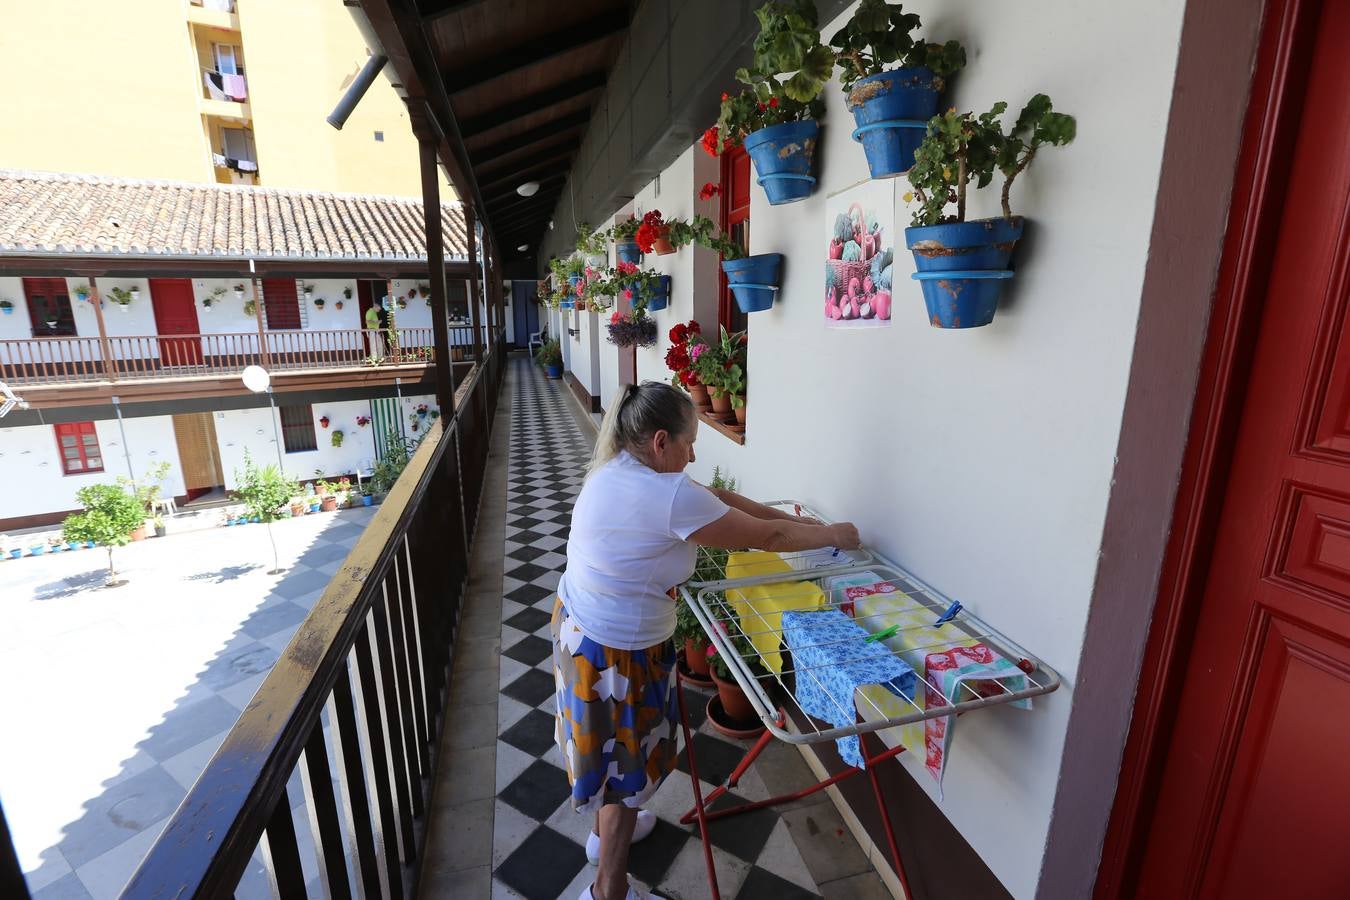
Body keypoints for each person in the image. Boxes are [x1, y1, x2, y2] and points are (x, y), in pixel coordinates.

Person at [553, 381, 860, 900]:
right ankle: (608, 889)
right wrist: (835, 536)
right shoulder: (664, 493)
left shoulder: (619, 467)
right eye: (689, 441)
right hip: (617, 652)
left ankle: (600, 839)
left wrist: (787, 517)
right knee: (627, 771)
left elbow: (718, 501)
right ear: (659, 441)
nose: (694, 453)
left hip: (582, 633)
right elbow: (768, 541)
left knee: (608, 756)